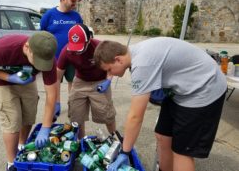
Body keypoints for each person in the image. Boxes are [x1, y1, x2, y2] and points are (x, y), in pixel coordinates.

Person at [93, 37, 227, 171]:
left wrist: (125, 152)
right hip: (181, 90)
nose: (109, 74)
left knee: (182, 152)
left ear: (118, 59)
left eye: (109, 70)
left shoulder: (142, 65)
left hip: (204, 88)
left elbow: (135, 117)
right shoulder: (132, 53)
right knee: (163, 136)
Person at [0, 32, 58, 171]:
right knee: (12, 120)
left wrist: (46, 127)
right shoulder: (3, 50)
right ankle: (11, 162)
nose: (41, 67)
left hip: (27, 81)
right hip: (2, 82)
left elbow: (51, 95)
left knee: (29, 114)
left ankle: (22, 145)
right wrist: (10, 78)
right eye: (38, 61)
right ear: (27, 47)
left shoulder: (48, 58)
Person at [57, 24, 116, 139]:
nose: (77, 52)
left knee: (107, 114)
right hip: (80, 81)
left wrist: (108, 80)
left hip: (100, 81)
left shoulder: (99, 47)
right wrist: (56, 101)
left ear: (89, 40)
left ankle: (114, 137)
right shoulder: (67, 51)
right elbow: (57, 77)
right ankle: (80, 141)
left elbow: (112, 65)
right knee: (76, 116)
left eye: (80, 47)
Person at [40, 0, 83, 97]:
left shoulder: (76, 16)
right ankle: (55, 104)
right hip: (55, 58)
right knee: (55, 83)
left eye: (75, 1)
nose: (75, 3)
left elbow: (81, 33)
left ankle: (72, 105)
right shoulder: (49, 15)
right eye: (72, 1)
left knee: (73, 82)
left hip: (73, 56)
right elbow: (42, 35)